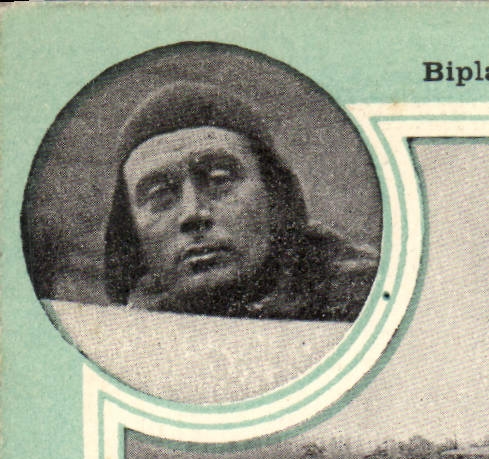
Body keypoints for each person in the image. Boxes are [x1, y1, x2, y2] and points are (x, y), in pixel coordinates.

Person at [103, 81, 377, 320]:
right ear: (131, 231)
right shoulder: (124, 335)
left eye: (220, 180)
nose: (193, 213)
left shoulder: (370, 302)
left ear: (274, 196)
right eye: (159, 195)